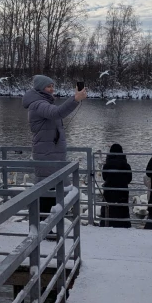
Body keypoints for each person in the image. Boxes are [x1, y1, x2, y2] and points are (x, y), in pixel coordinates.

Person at [22, 75, 87, 214]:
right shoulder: (38, 105)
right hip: (46, 157)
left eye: (52, 86)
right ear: (40, 88)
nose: (52, 89)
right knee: (47, 195)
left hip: (51, 156)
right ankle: (44, 230)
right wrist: (75, 99)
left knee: (52, 194)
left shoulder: (43, 103)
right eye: (48, 86)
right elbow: (57, 113)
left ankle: (47, 230)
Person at [99, 143, 132, 228]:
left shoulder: (107, 165)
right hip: (122, 192)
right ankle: (123, 225)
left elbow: (104, 177)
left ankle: (106, 224)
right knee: (122, 209)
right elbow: (129, 179)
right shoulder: (126, 165)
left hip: (109, 192)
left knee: (108, 208)